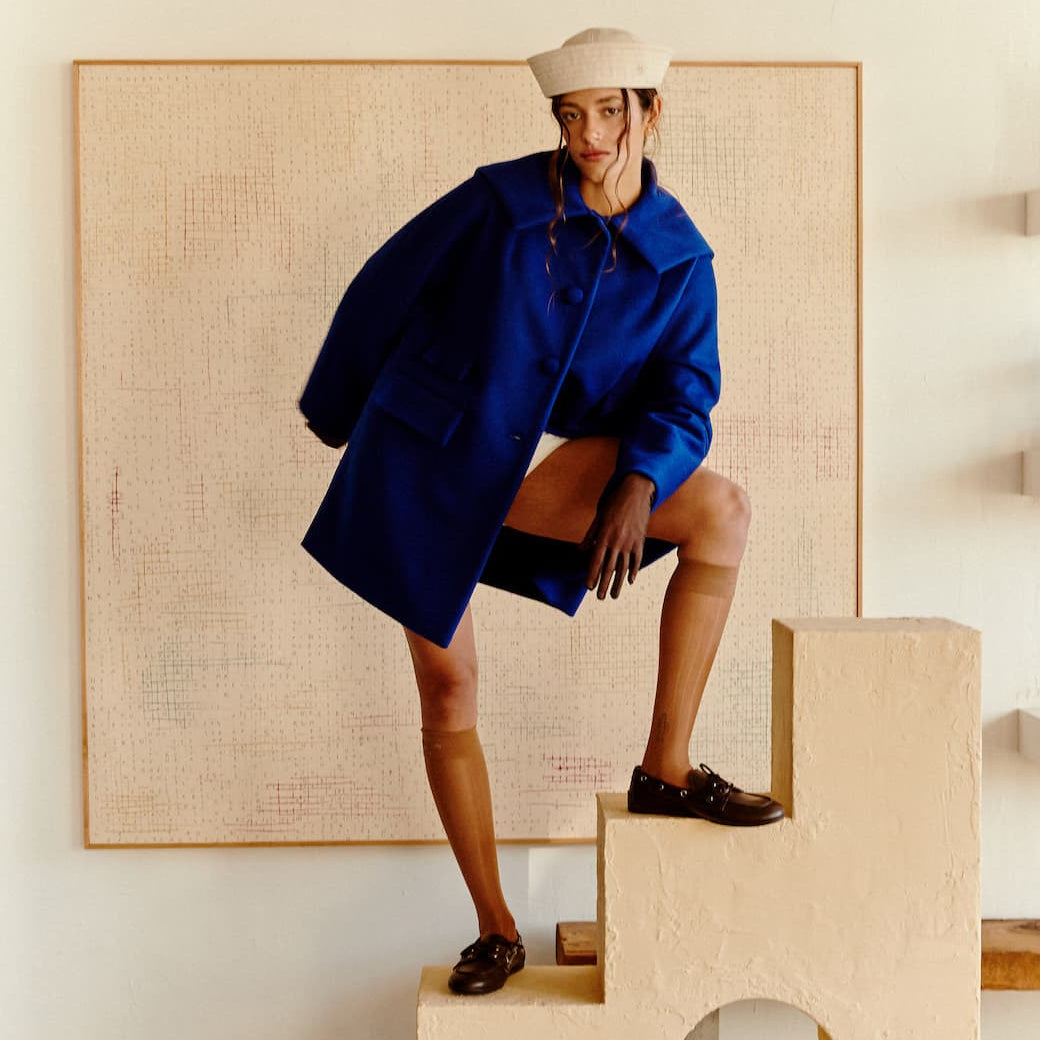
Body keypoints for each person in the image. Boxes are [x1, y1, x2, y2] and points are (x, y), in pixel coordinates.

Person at [298, 27, 784, 996]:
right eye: (571, 115)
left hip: (546, 469)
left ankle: (666, 767)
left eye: (608, 111)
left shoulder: (679, 258)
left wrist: (640, 480)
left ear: (651, 111)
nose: (589, 134)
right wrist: (334, 413)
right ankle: (494, 926)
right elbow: (382, 286)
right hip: (429, 460)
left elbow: (686, 393)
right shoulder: (499, 202)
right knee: (447, 692)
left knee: (721, 511)